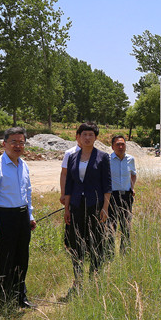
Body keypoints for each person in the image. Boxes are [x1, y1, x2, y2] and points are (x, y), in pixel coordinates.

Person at [0, 127, 36, 311]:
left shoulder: (24, 165)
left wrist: (30, 216)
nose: (18, 146)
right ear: (4, 143)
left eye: (21, 142)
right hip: (4, 217)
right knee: (5, 260)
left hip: (21, 217)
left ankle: (21, 297)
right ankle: (4, 301)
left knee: (22, 258)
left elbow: (27, 193)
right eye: (14, 142)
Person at [63, 123, 111, 293]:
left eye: (91, 134)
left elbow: (107, 185)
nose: (88, 137)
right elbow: (69, 185)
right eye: (84, 134)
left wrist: (105, 207)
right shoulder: (72, 157)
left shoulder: (103, 157)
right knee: (76, 243)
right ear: (79, 137)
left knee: (96, 241)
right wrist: (67, 208)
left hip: (95, 205)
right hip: (76, 206)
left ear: (96, 137)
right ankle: (78, 280)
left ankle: (95, 279)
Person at [109, 135, 136, 255]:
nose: (120, 147)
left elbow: (133, 174)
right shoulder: (107, 160)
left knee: (126, 225)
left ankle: (124, 252)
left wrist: (132, 187)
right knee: (111, 225)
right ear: (112, 146)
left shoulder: (131, 159)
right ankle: (110, 252)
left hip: (126, 196)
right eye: (117, 144)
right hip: (111, 197)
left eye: (123, 144)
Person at [59, 137, 81, 206]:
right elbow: (64, 174)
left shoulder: (98, 155)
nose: (86, 138)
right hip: (73, 194)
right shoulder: (69, 153)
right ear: (77, 137)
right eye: (84, 135)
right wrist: (63, 194)